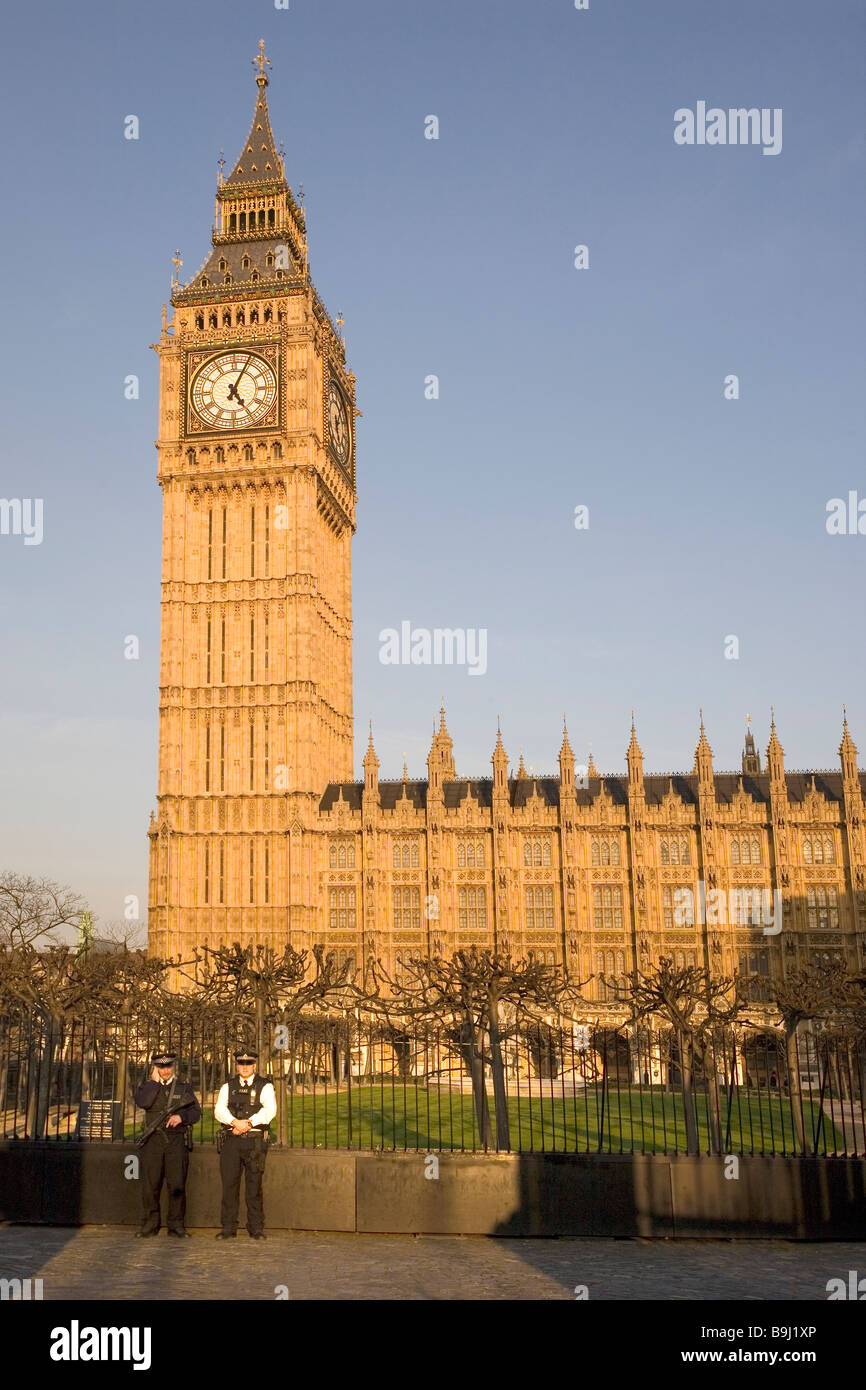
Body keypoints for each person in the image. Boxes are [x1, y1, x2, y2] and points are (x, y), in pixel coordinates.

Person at [133, 1049, 201, 1238]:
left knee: (177, 1184)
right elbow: (143, 1102)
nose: (165, 1070)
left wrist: (182, 1116)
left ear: (173, 1066)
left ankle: (176, 1225)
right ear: (155, 1068)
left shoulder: (184, 1088)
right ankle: (150, 1224)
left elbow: (196, 1112)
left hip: (175, 1140)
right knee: (150, 1185)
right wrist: (154, 1083)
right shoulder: (147, 1087)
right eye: (161, 1067)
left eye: (168, 1066)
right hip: (153, 1141)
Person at [214, 1048, 277, 1239]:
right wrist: (235, 1123)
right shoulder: (228, 1086)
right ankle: (228, 1227)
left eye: (248, 1064)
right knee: (229, 1186)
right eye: (241, 1064)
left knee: (254, 1186)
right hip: (232, 1140)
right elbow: (219, 1110)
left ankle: (256, 1228)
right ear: (237, 1065)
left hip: (254, 1141)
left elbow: (270, 1110)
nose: (245, 1067)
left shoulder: (265, 1086)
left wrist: (248, 1124)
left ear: (254, 1065)